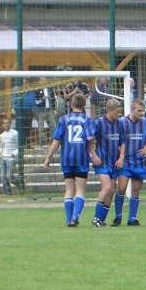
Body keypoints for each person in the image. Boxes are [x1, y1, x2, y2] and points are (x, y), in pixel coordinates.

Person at [43, 93, 96, 227]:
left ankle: (68, 219)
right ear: (84, 105)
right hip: (81, 158)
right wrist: (94, 155)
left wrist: (48, 157)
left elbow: (56, 140)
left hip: (66, 159)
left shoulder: (63, 120)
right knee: (80, 190)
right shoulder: (87, 120)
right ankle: (75, 217)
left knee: (69, 189)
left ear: (71, 104)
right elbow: (90, 139)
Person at [112, 99, 146, 226]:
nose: (142, 113)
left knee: (135, 191)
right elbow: (115, 139)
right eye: (139, 111)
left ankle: (132, 218)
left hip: (140, 162)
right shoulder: (121, 122)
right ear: (132, 110)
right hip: (126, 162)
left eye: (143, 110)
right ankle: (118, 216)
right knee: (121, 189)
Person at [91, 99, 124, 227]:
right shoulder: (99, 123)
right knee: (107, 188)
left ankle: (101, 219)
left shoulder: (119, 124)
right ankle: (95, 218)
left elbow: (122, 142)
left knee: (111, 191)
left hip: (114, 162)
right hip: (102, 162)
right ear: (110, 111)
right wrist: (93, 156)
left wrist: (121, 157)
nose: (119, 114)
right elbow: (90, 140)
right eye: (117, 112)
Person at [0, 118, 19, 195]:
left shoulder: (15, 133)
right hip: (3, 157)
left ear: (10, 124)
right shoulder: (2, 135)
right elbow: (1, 146)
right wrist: (0, 153)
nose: (6, 124)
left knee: (9, 176)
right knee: (3, 177)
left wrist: (14, 154)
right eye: (4, 123)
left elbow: (18, 146)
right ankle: (8, 192)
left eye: (8, 123)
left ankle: (19, 183)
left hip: (11, 158)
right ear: (3, 125)